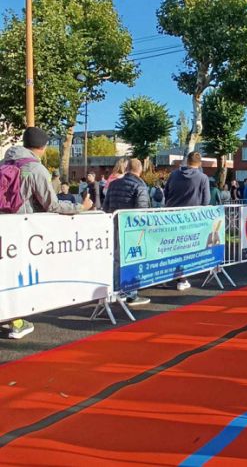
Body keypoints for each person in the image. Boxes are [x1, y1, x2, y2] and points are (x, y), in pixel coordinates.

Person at [0, 127, 93, 339]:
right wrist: (81, 207)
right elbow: (52, 205)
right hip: (22, 229)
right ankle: (16, 321)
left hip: (3, 225)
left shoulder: (4, 163)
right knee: (18, 274)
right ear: (42, 147)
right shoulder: (36, 169)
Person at [103, 158, 151, 306]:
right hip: (131, 229)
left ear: (127, 168)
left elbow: (106, 206)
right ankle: (131, 293)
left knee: (116, 259)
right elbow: (142, 210)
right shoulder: (140, 185)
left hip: (114, 224)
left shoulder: (114, 184)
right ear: (140, 169)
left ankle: (117, 289)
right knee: (132, 259)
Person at [164, 151, 210, 290]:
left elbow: (166, 193)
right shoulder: (203, 178)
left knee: (172, 247)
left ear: (187, 161)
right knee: (186, 249)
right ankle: (182, 278)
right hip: (190, 219)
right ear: (200, 163)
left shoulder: (173, 175)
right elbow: (206, 200)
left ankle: (169, 273)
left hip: (171, 217)